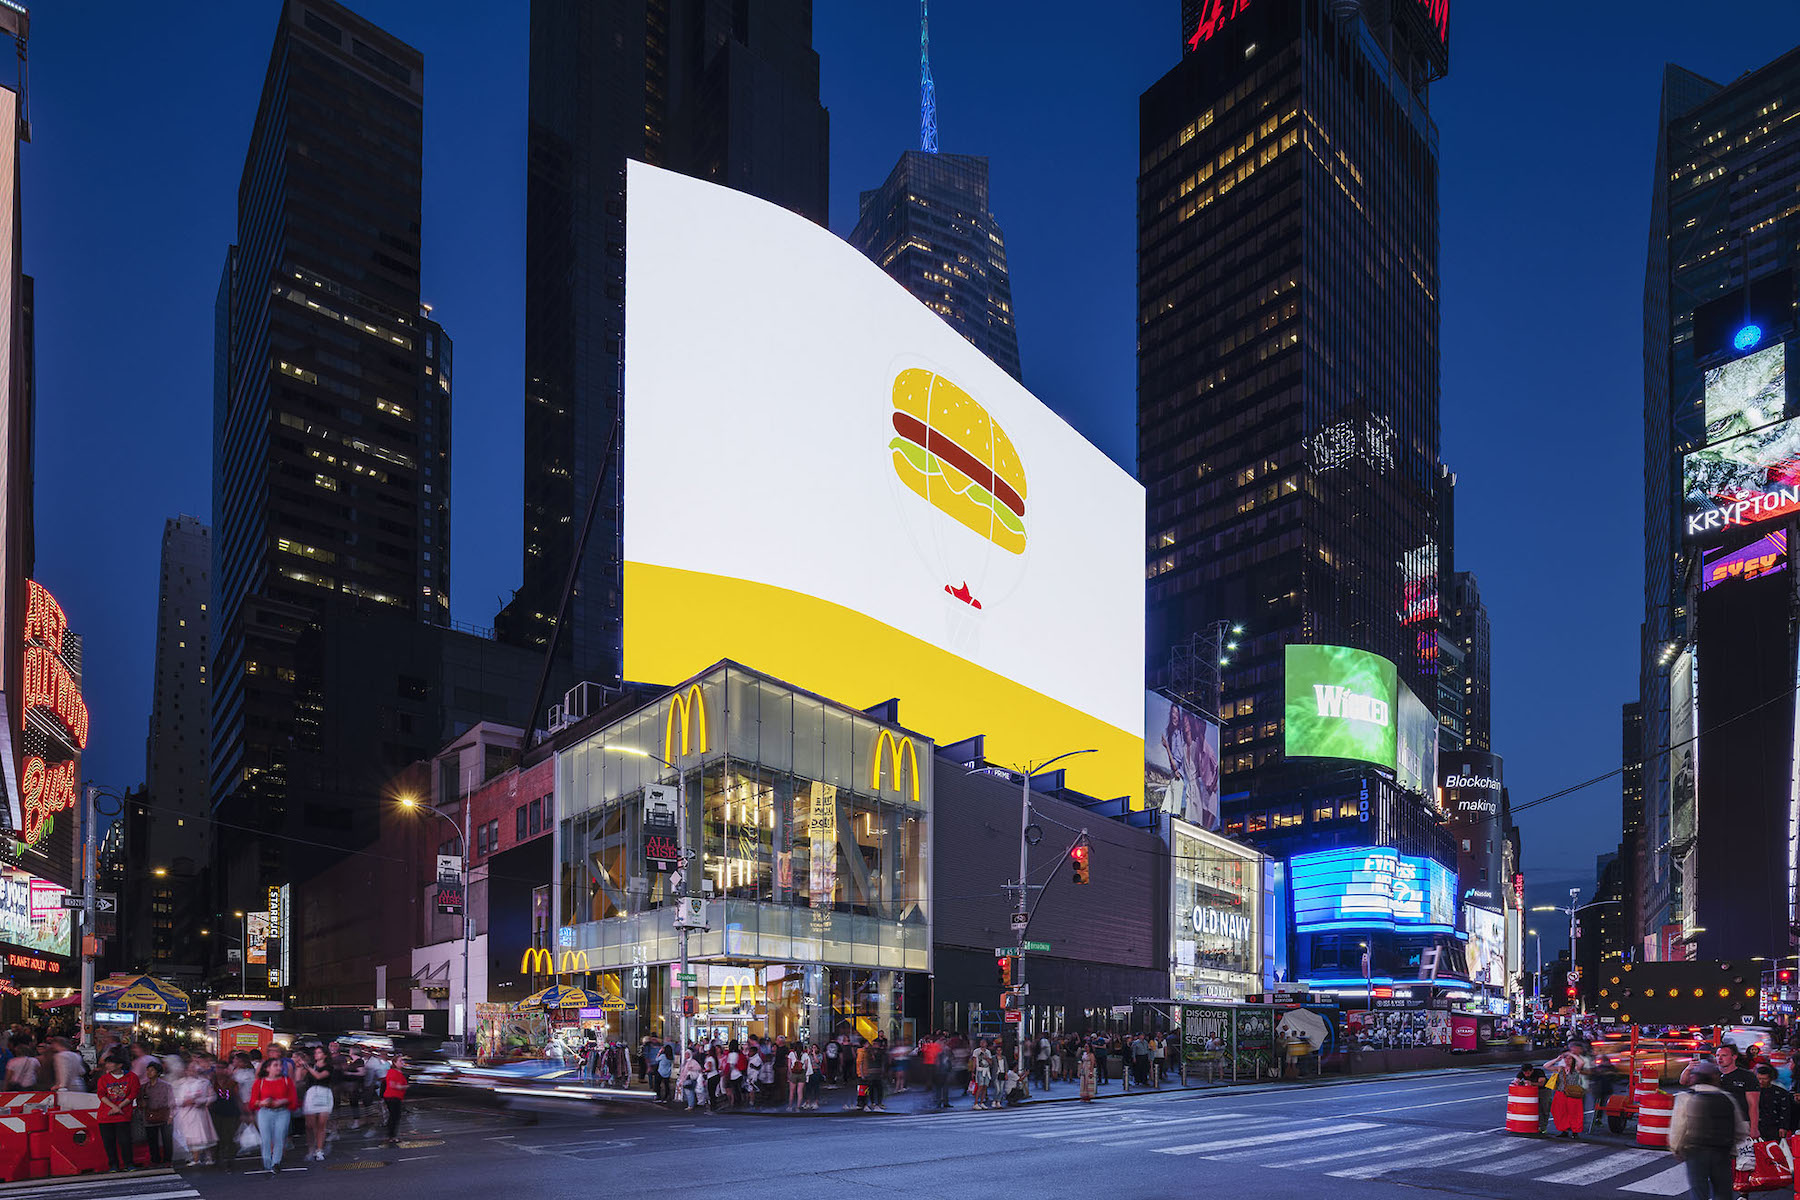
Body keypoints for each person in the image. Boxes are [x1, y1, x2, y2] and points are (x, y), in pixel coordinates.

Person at [1671, 1060, 1748, 1199]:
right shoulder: (1728, 1098)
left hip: (1695, 1151)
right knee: (1723, 1192)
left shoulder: (1686, 1097)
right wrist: (1732, 1145)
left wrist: (1676, 1148)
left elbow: (1678, 1127)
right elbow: (1741, 1129)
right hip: (1722, 1151)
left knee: (1699, 1192)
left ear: (1695, 1078)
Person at [250, 1056, 296, 1174]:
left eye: (280, 1065)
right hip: (265, 1112)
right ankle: (266, 1160)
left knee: (279, 1137)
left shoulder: (286, 1081)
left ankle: (276, 1162)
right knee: (266, 1138)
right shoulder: (260, 1082)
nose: (279, 1068)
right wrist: (262, 1102)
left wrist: (282, 1101)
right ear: (267, 1068)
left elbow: (293, 1099)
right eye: (275, 1065)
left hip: (282, 1111)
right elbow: (253, 1101)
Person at [94, 1052, 139, 1173]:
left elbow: (133, 1094)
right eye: (107, 1063)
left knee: (125, 1140)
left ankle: (129, 1163)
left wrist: (119, 1107)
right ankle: (113, 1165)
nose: (107, 1065)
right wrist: (113, 1107)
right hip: (105, 1115)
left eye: (110, 1063)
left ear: (119, 1065)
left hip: (123, 1115)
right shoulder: (103, 1079)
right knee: (109, 1142)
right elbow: (101, 1095)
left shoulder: (132, 1077)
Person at [175, 1053, 219, 1166]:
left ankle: (207, 1157)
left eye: (194, 1068)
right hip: (185, 1114)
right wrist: (183, 1102)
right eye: (190, 1069)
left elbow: (212, 1096)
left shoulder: (204, 1082)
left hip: (200, 1113)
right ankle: (194, 1157)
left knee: (203, 1135)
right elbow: (174, 1099)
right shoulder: (180, 1083)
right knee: (189, 1136)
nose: (192, 1071)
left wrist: (200, 1101)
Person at [1716, 1042, 1762, 1135]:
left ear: (1734, 1057)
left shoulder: (1747, 1076)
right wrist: (1689, 1069)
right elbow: (1684, 1082)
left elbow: (1753, 1105)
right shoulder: (1711, 1074)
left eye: (1724, 1055)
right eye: (1717, 1055)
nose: (1719, 1058)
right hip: (1716, 1121)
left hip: (1740, 1122)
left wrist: (1754, 1128)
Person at [141, 1061, 173, 1167]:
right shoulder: (144, 1087)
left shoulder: (166, 1086)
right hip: (149, 1114)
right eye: (148, 1070)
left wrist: (171, 1115)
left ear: (158, 1072)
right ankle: (155, 1159)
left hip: (164, 1113)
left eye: (152, 1070)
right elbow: (140, 1101)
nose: (149, 1072)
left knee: (167, 1139)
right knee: (152, 1139)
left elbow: (171, 1101)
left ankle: (167, 1159)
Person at [1754, 1063, 1794, 1143]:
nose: (1761, 1081)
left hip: (1774, 1126)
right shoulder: (1751, 1091)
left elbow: (1785, 1111)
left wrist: (1783, 1127)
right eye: (1759, 1078)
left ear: (1770, 1078)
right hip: (1757, 1126)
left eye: (1764, 1079)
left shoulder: (1781, 1092)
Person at [381, 1054, 408, 1145]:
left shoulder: (399, 1073)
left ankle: (392, 1135)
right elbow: (393, 1085)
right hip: (392, 1096)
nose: (402, 1062)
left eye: (402, 1060)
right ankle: (391, 1136)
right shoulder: (392, 1072)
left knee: (395, 1116)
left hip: (396, 1097)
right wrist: (405, 1086)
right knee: (394, 1116)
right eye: (400, 1061)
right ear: (394, 1063)